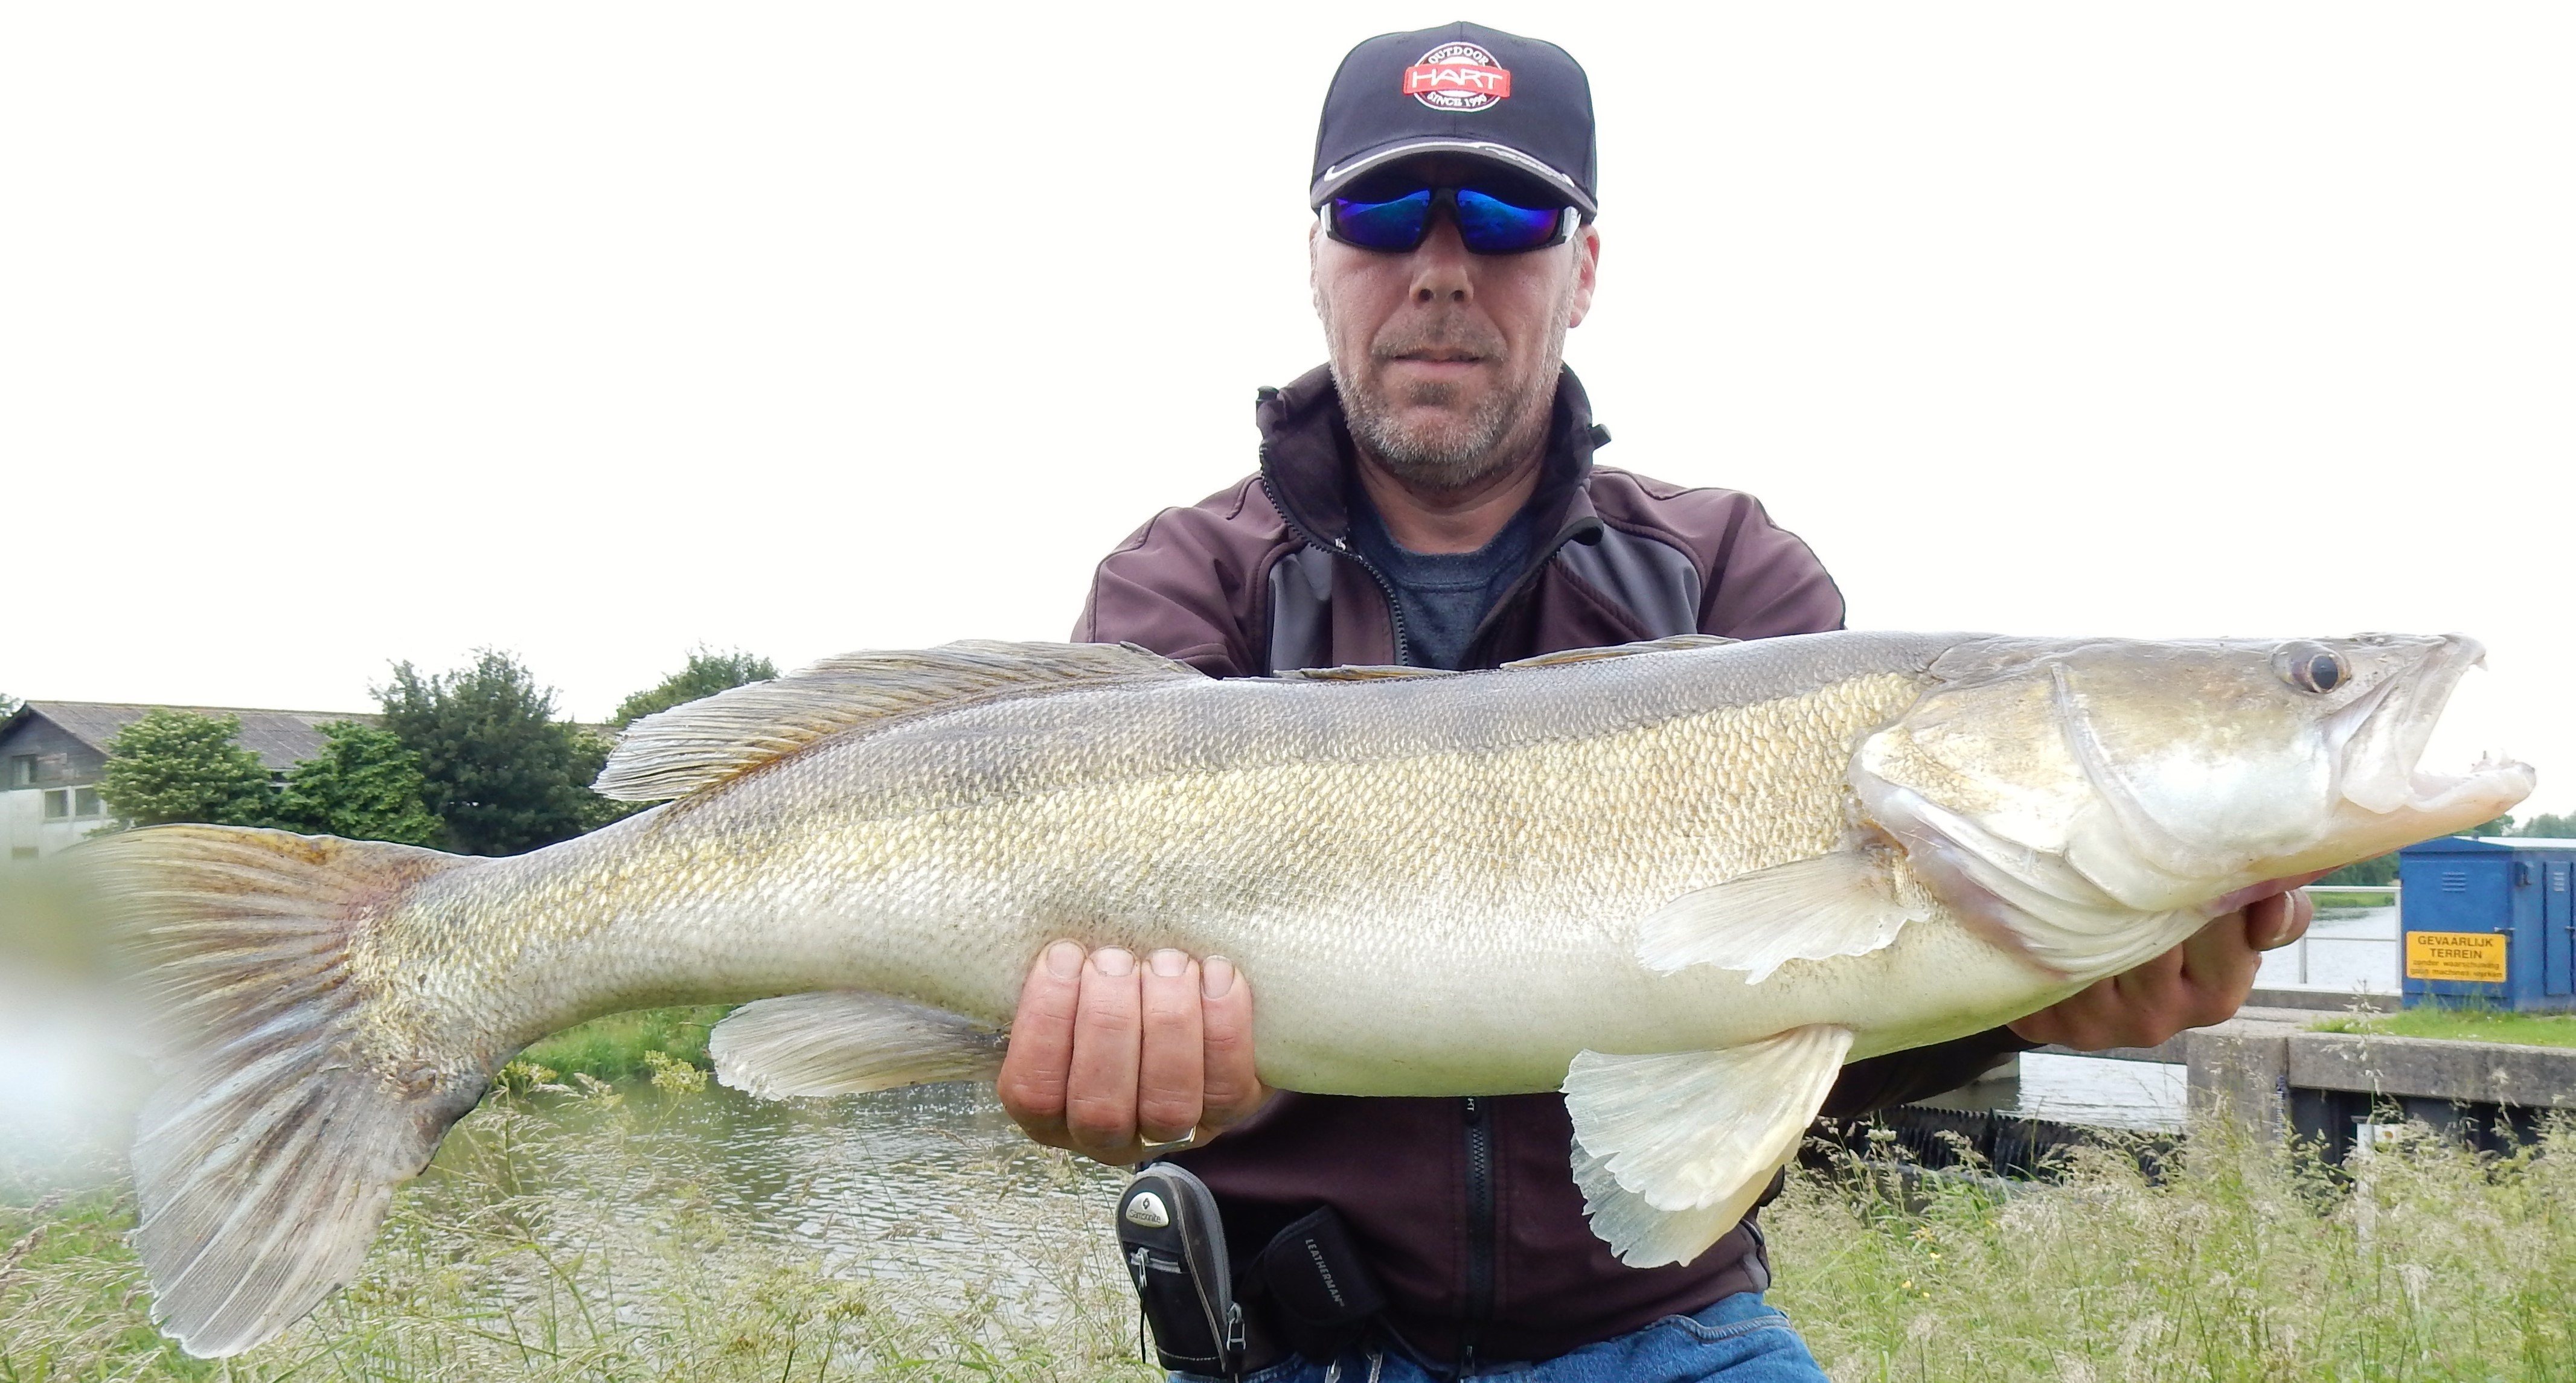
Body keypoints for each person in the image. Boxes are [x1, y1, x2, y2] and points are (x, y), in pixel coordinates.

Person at [995, 22, 2313, 1381]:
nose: (1441, 271)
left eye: (1507, 216)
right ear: (1316, 256)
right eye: (1383, 212)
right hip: (1292, 1345)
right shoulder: (1181, 582)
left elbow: (1816, 1040)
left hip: (1673, 1333)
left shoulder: (1736, 575)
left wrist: (2028, 1000)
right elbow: (1127, 1057)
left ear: (1586, 269)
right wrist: (1152, 1087)